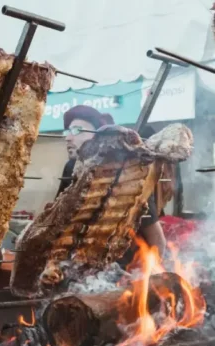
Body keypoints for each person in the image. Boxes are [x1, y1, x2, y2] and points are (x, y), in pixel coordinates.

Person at [57, 105, 166, 260]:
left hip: (120, 271)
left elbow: (156, 239)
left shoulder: (129, 172)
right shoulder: (71, 168)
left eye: (77, 130)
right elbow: (58, 222)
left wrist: (147, 276)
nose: (68, 137)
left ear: (98, 136)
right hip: (76, 267)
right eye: (67, 131)